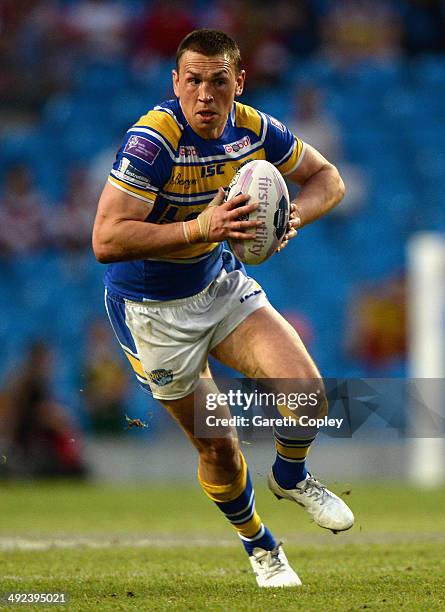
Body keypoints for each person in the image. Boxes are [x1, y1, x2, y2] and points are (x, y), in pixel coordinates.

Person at [92, 29, 353, 588]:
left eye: (217, 81)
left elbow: (329, 180)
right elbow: (105, 240)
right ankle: (262, 546)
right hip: (151, 310)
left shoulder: (255, 128)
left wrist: (292, 217)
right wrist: (201, 226)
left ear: (239, 81)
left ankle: (290, 473)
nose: (204, 95)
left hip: (217, 286)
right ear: (175, 83)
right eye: (192, 81)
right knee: (221, 448)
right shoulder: (152, 142)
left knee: (307, 394)